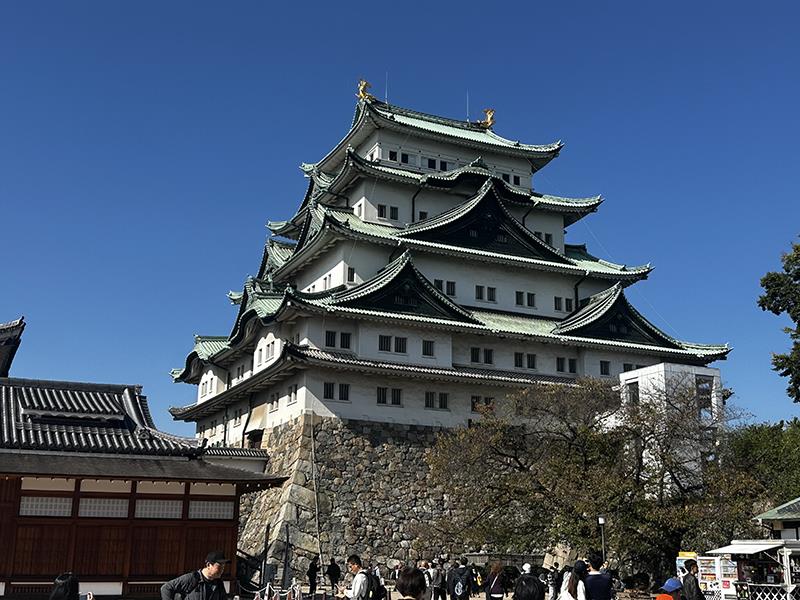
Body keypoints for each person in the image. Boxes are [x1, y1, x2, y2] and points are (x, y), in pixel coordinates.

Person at [160, 550, 230, 600]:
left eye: (223, 567)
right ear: (208, 565)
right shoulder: (192, 578)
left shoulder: (219, 584)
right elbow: (166, 588)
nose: (222, 570)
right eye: (219, 566)